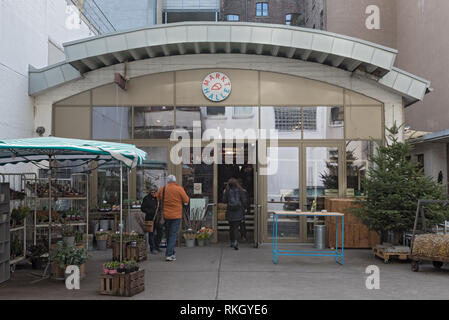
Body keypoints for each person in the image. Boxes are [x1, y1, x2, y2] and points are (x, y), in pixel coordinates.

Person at [157, 175, 189, 261]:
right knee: (173, 234)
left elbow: (158, 199)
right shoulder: (179, 189)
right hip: (176, 215)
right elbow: (186, 200)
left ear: (168, 181)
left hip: (165, 215)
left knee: (168, 234)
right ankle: (169, 254)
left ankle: (171, 251)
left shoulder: (162, 189)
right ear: (175, 181)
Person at [223, 178, 248, 250]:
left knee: (231, 227)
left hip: (230, 212)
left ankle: (232, 242)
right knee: (236, 228)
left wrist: (224, 193)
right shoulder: (240, 191)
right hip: (239, 211)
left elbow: (224, 201)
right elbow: (244, 201)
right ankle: (236, 242)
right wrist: (245, 208)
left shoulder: (227, 191)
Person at [141, 188, 162, 254]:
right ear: (150, 192)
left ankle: (157, 246)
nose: (153, 193)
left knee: (160, 232)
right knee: (151, 233)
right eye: (152, 192)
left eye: (154, 192)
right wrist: (150, 211)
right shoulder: (146, 198)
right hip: (150, 218)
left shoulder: (158, 198)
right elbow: (142, 208)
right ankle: (152, 248)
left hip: (158, 218)